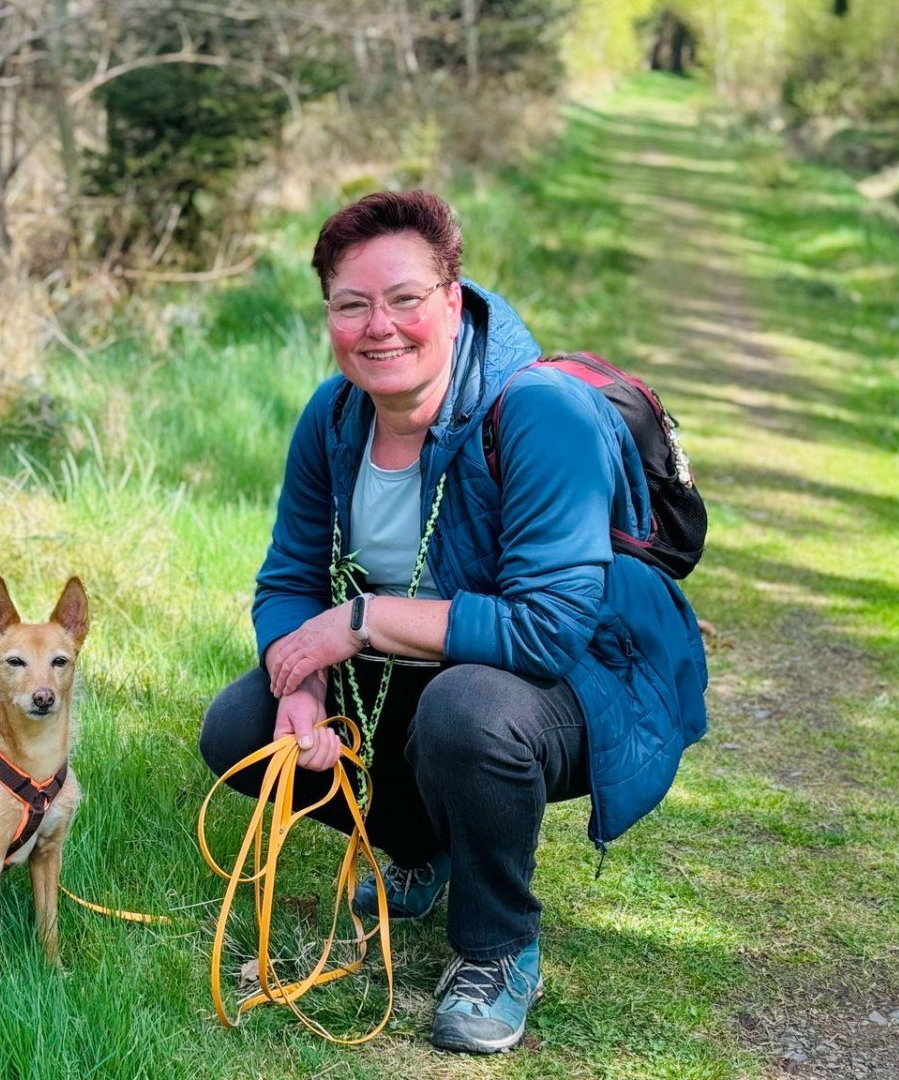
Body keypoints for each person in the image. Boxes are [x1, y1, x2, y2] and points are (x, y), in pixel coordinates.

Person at [198, 190, 707, 1054]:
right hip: (421, 667)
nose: (379, 327)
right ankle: (422, 846)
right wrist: (303, 687)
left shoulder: (540, 413)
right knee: (240, 727)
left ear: (452, 296)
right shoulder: (333, 415)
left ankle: (499, 945)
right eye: (351, 305)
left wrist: (357, 622)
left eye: (404, 299)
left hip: (574, 681)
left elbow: (546, 629)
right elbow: (288, 580)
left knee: (466, 713)